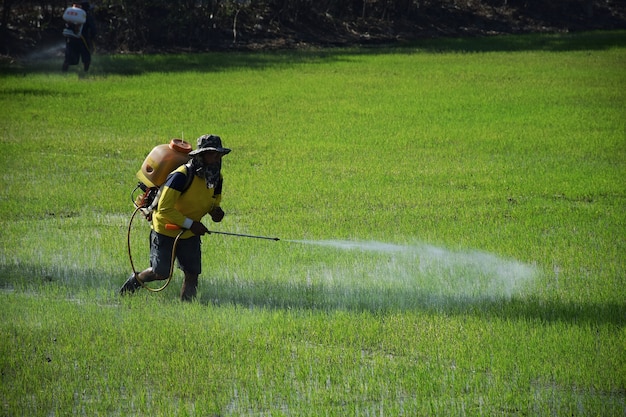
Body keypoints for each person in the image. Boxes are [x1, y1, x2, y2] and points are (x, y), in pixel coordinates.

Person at [120, 134, 231, 301]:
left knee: (192, 274)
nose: (217, 158)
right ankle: (133, 283)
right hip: (166, 229)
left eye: (218, 154)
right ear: (201, 155)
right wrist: (191, 224)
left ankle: (187, 310)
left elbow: (213, 202)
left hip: (189, 232)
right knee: (160, 273)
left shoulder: (216, 178)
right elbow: (164, 209)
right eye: (212, 154)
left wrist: (216, 212)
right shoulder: (181, 176)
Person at [62, 2, 97, 72]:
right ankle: (85, 71)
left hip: (71, 39)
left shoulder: (74, 15)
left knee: (68, 58)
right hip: (83, 39)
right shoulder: (87, 16)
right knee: (86, 57)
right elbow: (93, 29)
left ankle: (63, 71)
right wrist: (93, 37)